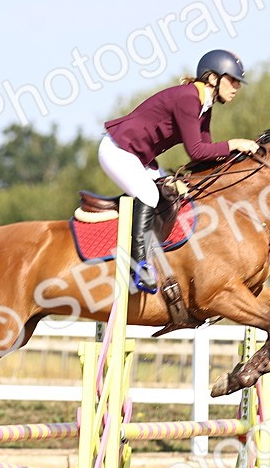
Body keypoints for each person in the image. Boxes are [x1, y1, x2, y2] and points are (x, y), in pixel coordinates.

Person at [99, 49, 260, 293]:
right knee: (150, 196)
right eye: (233, 79)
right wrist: (235, 143)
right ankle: (139, 267)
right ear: (213, 78)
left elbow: (206, 154)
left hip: (140, 159)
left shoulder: (204, 105)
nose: (237, 87)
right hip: (118, 150)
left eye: (239, 82)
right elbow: (196, 151)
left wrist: (236, 162)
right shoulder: (189, 98)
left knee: (179, 196)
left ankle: (160, 256)